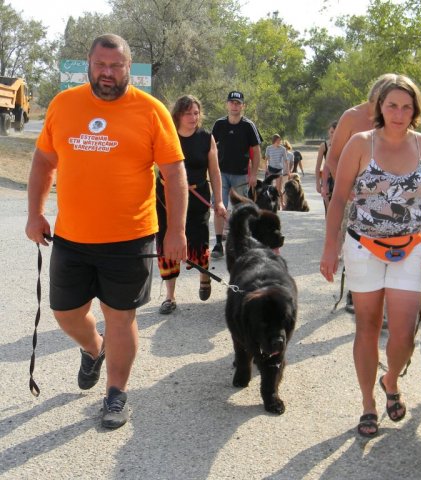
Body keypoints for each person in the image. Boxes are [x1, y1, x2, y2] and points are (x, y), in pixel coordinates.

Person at [25, 34, 188, 429]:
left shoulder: (151, 111)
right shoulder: (65, 105)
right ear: (89, 64)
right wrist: (35, 214)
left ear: (129, 67)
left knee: (120, 317)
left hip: (129, 238)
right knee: (65, 314)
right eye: (101, 65)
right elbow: (45, 161)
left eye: (116, 66)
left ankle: (116, 394)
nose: (108, 73)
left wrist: (176, 232)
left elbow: (173, 172)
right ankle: (93, 348)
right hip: (72, 236)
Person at [319, 74, 421, 438]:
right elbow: (340, 197)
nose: (399, 112)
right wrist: (331, 247)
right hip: (363, 248)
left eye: (407, 106)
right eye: (392, 105)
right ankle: (368, 405)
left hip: (410, 251)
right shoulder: (362, 144)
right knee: (368, 328)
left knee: (404, 334)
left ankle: (391, 380)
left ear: (416, 111)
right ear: (379, 107)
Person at [323, 74, 395, 313]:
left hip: (387, 197)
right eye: (382, 102)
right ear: (373, 97)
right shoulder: (352, 117)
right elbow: (333, 157)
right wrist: (349, 186)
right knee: (354, 241)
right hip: (353, 194)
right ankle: (355, 290)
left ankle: (384, 298)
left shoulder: (396, 118)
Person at [156, 95, 226, 314]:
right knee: (167, 243)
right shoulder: (167, 135)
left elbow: (214, 171)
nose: (193, 117)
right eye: (188, 113)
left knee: (199, 241)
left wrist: (219, 200)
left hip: (198, 197)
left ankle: (204, 277)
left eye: (196, 113)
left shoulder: (206, 138)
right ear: (178, 114)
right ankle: (170, 297)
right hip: (167, 198)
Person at [210, 91, 263, 258]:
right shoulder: (219, 125)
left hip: (241, 175)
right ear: (227, 105)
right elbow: (211, 148)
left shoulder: (248, 126)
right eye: (232, 102)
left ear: (243, 106)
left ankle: (241, 243)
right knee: (219, 207)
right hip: (221, 174)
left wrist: (253, 174)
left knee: (240, 210)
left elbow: (256, 150)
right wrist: (208, 171)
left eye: (238, 103)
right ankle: (219, 243)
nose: (235, 106)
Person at [315, 120, 337, 214]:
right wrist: (317, 183)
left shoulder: (346, 144)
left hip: (339, 177)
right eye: (331, 132)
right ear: (328, 132)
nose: (333, 134)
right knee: (328, 210)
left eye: (336, 132)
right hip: (327, 179)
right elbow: (318, 167)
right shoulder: (323, 146)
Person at [264, 134, 289, 208]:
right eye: (278, 140)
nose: (279, 142)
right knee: (269, 188)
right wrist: (266, 168)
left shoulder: (283, 149)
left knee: (278, 188)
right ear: (274, 140)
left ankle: (281, 204)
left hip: (279, 170)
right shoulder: (269, 148)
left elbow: (286, 160)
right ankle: (269, 203)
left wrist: (288, 171)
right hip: (271, 169)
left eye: (280, 140)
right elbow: (266, 159)